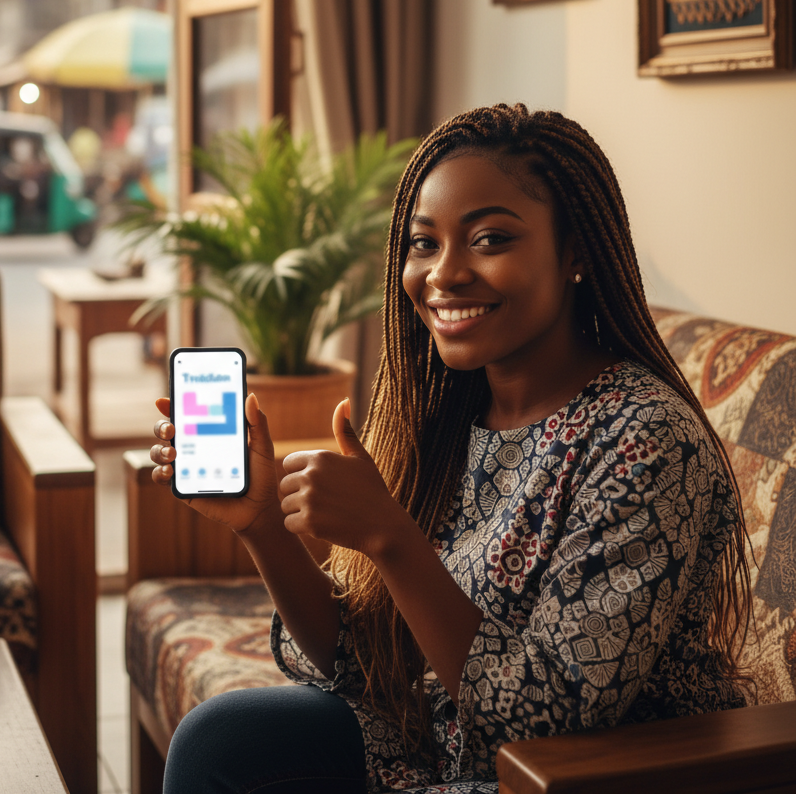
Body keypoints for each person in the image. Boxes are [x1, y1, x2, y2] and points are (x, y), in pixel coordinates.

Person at [149, 104, 751, 794]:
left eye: (490, 240)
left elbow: (545, 727)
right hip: (435, 751)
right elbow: (362, 664)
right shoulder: (451, 414)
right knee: (220, 740)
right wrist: (261, 525)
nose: (443, 274)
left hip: (583, 778)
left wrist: (391, 537)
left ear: (576, 251)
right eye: (424, 243)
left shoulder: (644, 440)